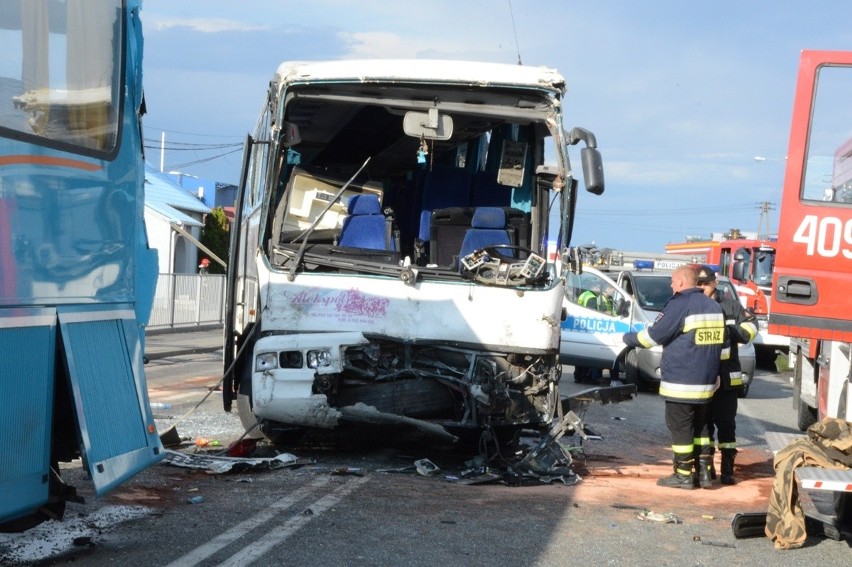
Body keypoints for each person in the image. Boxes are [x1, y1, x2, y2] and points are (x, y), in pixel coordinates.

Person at [622, 265, 725, 489]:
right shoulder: (714, 306)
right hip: (707, 383)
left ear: (680, 283)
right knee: (701, 430)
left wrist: (627, 338)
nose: (670, 285)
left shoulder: (680, 305)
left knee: (681, 431)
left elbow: (653, 337)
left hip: (682, 383)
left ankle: (683, 475)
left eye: (672, 281)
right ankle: (704, 473)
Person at [694, 265, 758, 485]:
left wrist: (734, 333)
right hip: (702, 377)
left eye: (706, 283)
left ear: (715, 283)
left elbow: (751, 325)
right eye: (698, 284)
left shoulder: (730, 306)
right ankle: (705, 468)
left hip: (727, 378)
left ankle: (728, 470)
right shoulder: (693, 306)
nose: (703, 287)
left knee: (726, 425)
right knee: (703, 425)